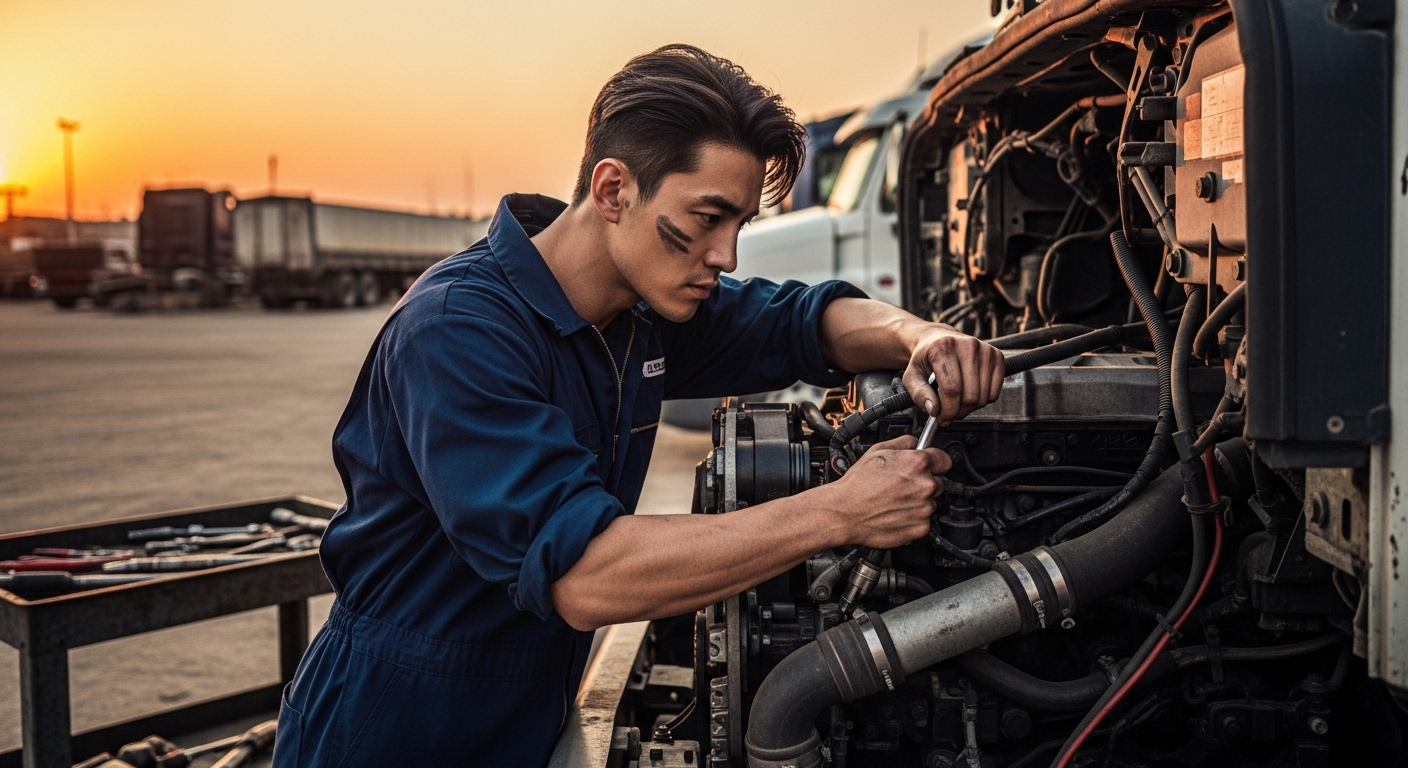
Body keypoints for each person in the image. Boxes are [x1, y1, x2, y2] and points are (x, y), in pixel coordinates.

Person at [273, 44, 1004, 767]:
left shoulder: (637, 310)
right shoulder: (458, 331)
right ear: (615, 189)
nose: (726, 256)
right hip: (396, 726)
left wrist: (922, 335)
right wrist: (840, 511)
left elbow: (801, 321)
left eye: (740, 225)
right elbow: (586, 573)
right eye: (707, 218)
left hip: (529, 712)